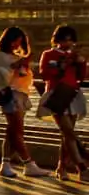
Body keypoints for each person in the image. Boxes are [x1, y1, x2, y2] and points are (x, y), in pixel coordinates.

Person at [0, 27, 48, 178]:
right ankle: (28, 163)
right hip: (11, 95)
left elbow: (24, 79)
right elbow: (0, 78)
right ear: (8, 39)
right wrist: (15, 66)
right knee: (17, 131)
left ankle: (6, 164)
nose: (16, 45)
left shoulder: (15, 57)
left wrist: (23, 66)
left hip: (21, 95)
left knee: (12, 131)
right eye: (15, 41)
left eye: (19, 42)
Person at [37, 25, 87, 182]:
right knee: (68, 131)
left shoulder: (74, 55)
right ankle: (82, 166)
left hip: (72, 93)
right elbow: (44, 73)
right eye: (65, 39)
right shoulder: (48, 54)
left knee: (66, 134)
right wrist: (61, 65)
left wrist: (81, 62)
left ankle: (62, 167)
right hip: (56, 94)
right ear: (58, 39)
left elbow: (81, 76)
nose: (68, 42)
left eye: (71, 39)